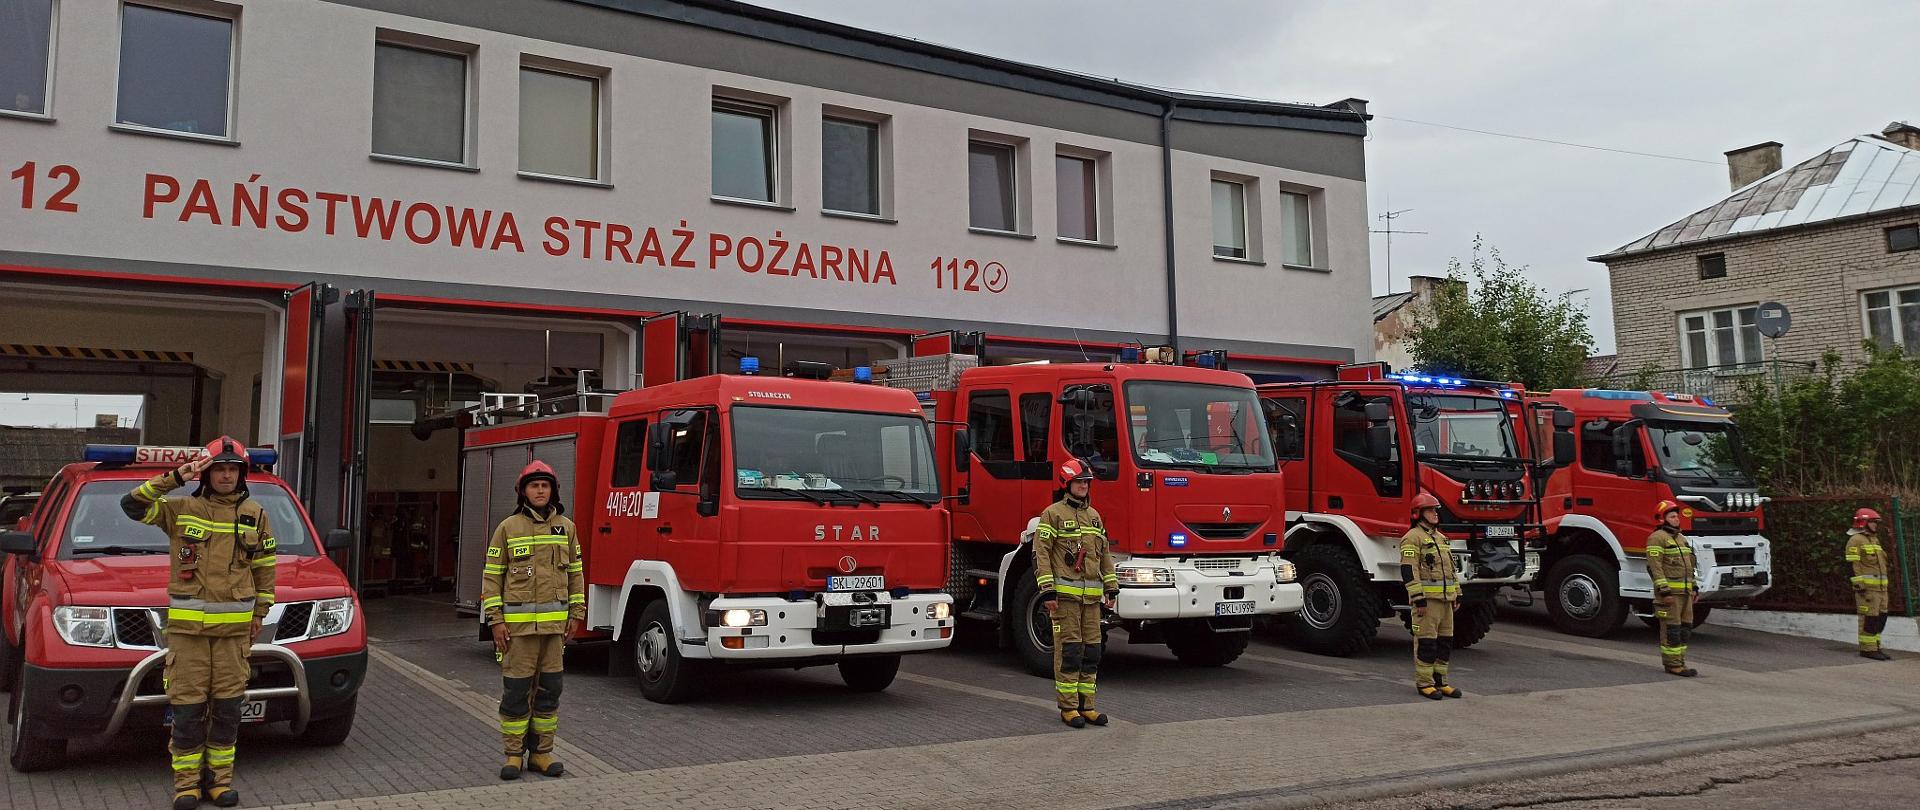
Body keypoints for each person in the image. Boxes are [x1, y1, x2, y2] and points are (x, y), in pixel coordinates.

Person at [120, 438, 276, 810]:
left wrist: (259, 615)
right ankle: (186, 785)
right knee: (188, 711)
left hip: (233, 639)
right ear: (206, 473)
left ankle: (219, 783)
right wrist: (175, 476)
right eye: (219, 468)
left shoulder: (255, 514)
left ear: (241, 474)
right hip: (189, 638)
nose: (225, 474)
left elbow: (265, 569)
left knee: (227, 710)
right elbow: (132, 505)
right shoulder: (181, 508)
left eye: (232, 469)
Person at [480, 461, 585, 780]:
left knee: (549, 691)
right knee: (516, 692)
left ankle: (542, 753)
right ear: (523, 491)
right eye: (534, 485)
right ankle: (513, 755)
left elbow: (576, 574)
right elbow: (492, 578)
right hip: (518, 633)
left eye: (545, 485)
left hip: (553, 633)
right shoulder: (508, 528)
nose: (540, 490)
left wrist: (577, 613)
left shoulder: (566, 527)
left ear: (553, 490)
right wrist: (495, 621)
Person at [1033, 458, 1118, 727]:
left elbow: (1104, 555)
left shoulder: (1094, 516)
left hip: (1091, 601)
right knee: (1069, 652)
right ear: (1066, 483)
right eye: (1079, 481)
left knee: (1092, 651)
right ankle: (1069, 709)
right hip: (1065, 601)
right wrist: (1047, 592)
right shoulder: (1052, 514)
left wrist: (1111, 587)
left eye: (1086, 482)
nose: (1083, 486)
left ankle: (1088, 706)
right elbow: (1041, 554)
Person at [1401, 492, 1462, 700]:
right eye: (1430, 510)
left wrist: (1457, 594)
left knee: (1445, 643)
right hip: (1427, 603)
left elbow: (1451, 570)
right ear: (1418, 513)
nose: (1435, 514)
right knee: (1426, 644)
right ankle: (1424, 683)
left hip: (1446, 602)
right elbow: (1409, 571)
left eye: (1436, 510)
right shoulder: (1412, 538)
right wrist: (1418, 598)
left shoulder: (1441, 538)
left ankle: (1440, 682)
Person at [1647, 500, 1698, 677]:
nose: (1677, 519)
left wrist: (1694, 587)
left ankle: (1680, 662)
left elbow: (1690, 565)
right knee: (1671, 629)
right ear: (1662, 519)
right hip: (1670, 596)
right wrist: (1664, 591)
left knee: (1684, 628)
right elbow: (1655, 568)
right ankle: (1672, 664)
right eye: (1672, 516)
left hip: (1685, 593)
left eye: (1677, 516)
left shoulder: (1681, 538)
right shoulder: (1657, 538)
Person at [1846, 508, 1892, 661]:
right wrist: (1859, 586)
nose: (1875, 525)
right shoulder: (1856, 540)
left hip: (1881, 589)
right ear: (1863, 522)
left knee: (1880, 618)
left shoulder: (1874, 539)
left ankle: (1876, 646)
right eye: (1873, 522)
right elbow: (1853, 565)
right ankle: (1867, 649)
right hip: (1867, 590)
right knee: (1869, 619)